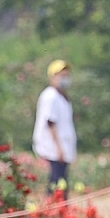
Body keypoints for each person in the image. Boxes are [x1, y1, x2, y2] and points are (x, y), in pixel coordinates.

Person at [32, 59, 77, 199]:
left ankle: (58, 214)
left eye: (66, 75)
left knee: (60, 183)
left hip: (61, 149)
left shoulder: (61, 96)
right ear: (52, 77)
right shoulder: (50, 96)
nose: (64, 78)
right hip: (53, 149)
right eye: (61, 75)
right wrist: (59, 149)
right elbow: (50, 123)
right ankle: (52, 213)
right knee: (56, 185)